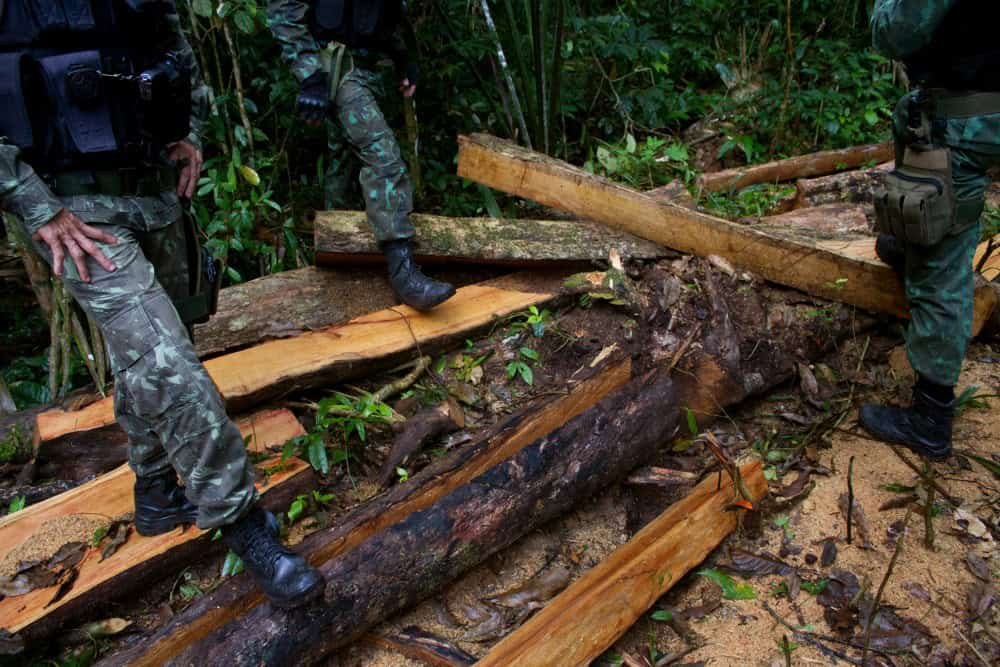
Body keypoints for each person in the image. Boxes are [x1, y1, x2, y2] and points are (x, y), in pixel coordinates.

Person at [0, 0, 322, 608]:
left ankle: (154, 490)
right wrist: (35, 206)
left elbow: (176, 51)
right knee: (166, 361)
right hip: (78, 215)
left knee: (151, 354)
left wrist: (188, 132)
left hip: (155, 193)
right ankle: (245, 526)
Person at [862, 0, 1000, 461]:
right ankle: (909, 244)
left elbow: (894, 32)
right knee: (911, 116)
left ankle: (930, 418)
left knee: (940, 264)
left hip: (970, 114)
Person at [267, 0, 455, 311]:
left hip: (370, 67)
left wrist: (402, 58)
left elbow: (383, 15)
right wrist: (309, 75)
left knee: (344, 160)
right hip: (334, 64)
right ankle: (404, 274)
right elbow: (282, 12)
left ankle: (336, 263)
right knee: (383, 155)